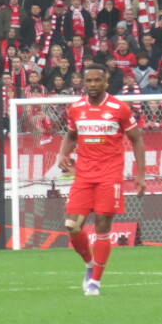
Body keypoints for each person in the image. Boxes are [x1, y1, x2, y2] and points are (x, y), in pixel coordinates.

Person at [56, 64, 147, 297]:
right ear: (83, 83)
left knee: (102, 227)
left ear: (106, 82)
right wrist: (63, 154)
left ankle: (95, 281)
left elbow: (136, 140)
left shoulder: (119, 108)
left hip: (110, 175)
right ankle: (89, 264)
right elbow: (71, 136)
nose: (93, 84)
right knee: (72, 225)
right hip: (84, 175)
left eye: (97, 80)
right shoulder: (76, 108)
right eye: (89, 81)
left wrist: (140, 175)